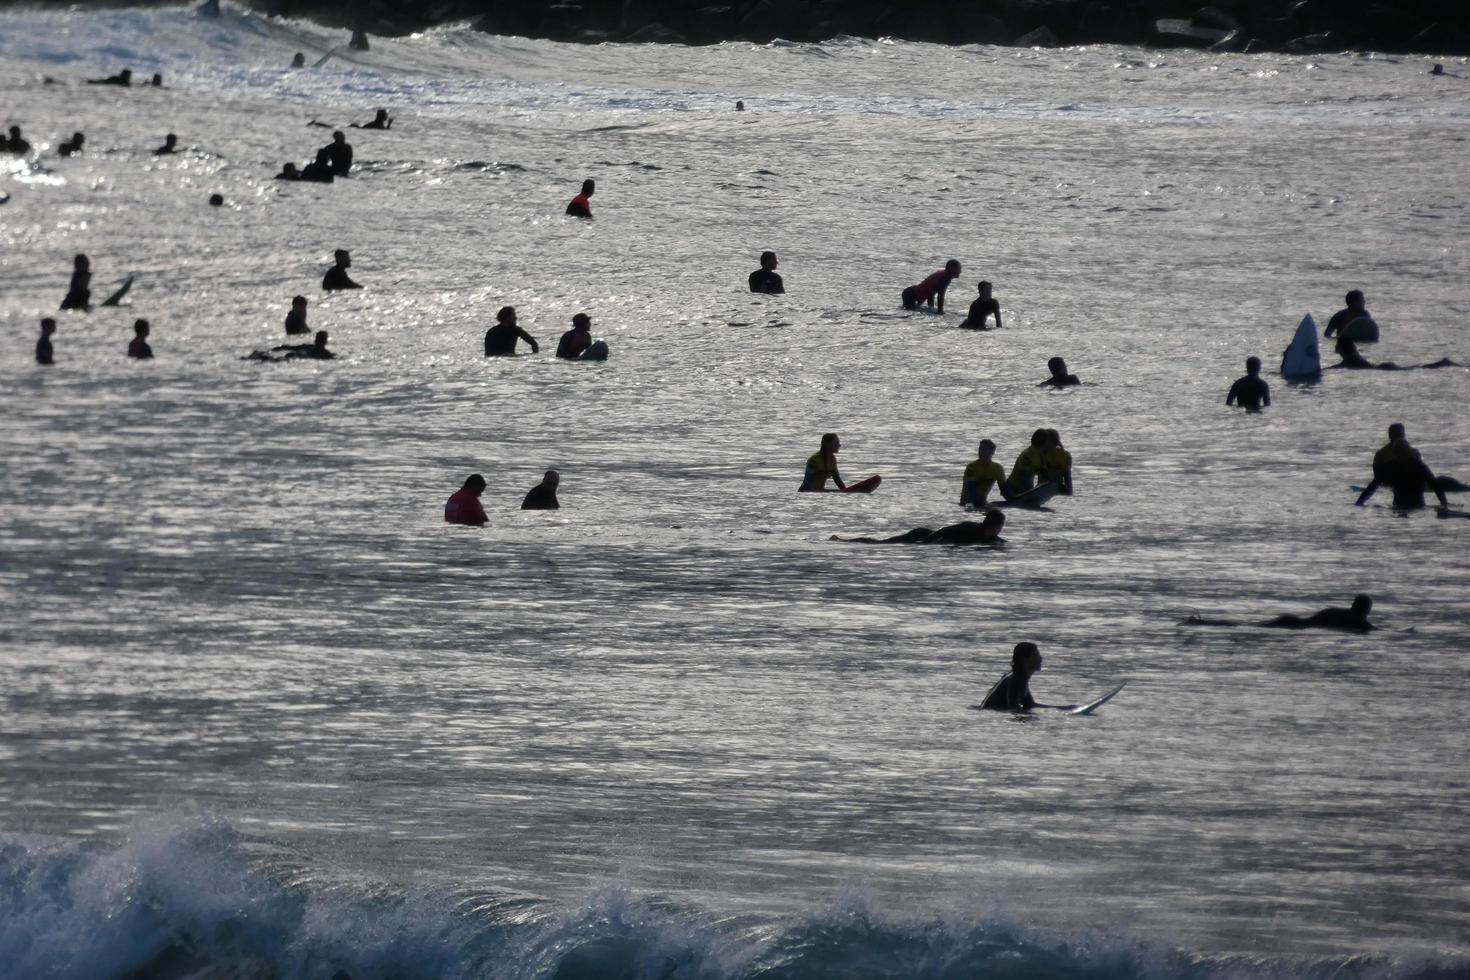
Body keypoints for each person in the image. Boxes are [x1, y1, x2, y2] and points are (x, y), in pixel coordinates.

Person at [1355, 423, 1450, 510]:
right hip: (1418, 506)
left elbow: (1373, 485)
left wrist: (1359, 503)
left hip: (1398, 506)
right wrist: (1444, 504)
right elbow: (1435, 485)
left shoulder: (1390, 466)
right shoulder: (1419, 466)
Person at [834, 510, 1006, 546]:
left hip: (928, 538)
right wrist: (924, 543)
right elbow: (945, 530)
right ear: (995, 526)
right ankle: (841, 540)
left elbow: (999, 541)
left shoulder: (989, 537)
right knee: (880, 543)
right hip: (921, 535)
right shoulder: (970, 529)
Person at [979, 642, 1050, 712]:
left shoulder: (1021, 678)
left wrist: (1059, 708)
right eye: (1036, 655)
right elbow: (1014, 708)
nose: (1040, 658)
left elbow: (1030, 705)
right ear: (1025, 659)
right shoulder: (1014, 680)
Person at [1260, 594, 1375, 632]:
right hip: (1297, 624)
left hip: (1295, 622)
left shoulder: (1335, 612)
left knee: (1264, 625)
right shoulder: (1360, 624)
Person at [1000, 429, 1048, 498]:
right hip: (1011, 488)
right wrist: (1030, 492)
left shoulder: (1041, 456)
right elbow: (1023, 475)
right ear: (1045, 443)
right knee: (1026, 474)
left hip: (1021, 487)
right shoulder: (1028, 454)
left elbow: (1044, 475)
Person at [960, 439, 1006, 509]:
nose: (980, 452)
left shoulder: (997, 468)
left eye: (984, 449)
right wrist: (985, 505)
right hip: (967, 504)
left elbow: (1005, 490)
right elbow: (972, 491)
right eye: (980, 449)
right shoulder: (971, 467)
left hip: (982, 503)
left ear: (992, 452)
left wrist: (1014, 501)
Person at [1040, 429, 1073, 495]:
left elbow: (1068, 478)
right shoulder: (1040, 454)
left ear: (1052, 442)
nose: (1041, 443)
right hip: (1046, 489)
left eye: (1044, 441)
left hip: (1046, 489)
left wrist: (1069, 492)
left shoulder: (1065, 456)